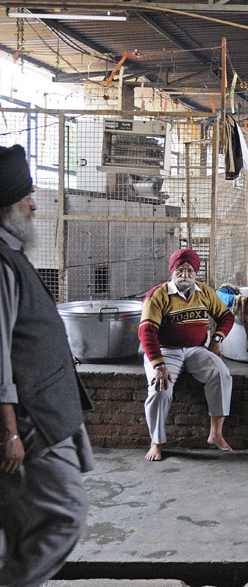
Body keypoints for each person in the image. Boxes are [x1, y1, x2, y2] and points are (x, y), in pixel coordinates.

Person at [0, 145, 94, 587]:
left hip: (45, 411)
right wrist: (10, 431)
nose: (34, 205)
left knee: (21, 525)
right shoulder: (1, 265)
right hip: (30, 419)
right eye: (26, 198)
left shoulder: (12, 253)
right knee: (63, 515)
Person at [139, 248, 235, 462]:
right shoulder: (158, 295)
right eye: (180, 270)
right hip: (165, 350)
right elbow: (146, 332)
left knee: (221, 374)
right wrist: (158, 364)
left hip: (196, 349)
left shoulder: (205, 292)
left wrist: (217, 339)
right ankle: (156, 441)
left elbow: (226, 317)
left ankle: (215, 434)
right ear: (172, 271)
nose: (185, 274)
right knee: (159, 389)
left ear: (196, 273)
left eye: (190, 270)